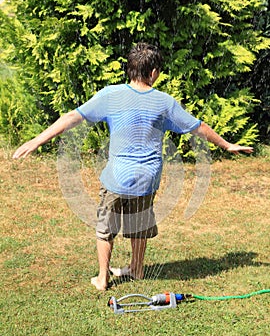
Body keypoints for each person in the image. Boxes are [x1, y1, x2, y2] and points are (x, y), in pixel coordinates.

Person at [13, 42, 253, 290]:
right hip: (147, 180)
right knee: (139, 223)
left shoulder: (110, 95)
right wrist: (226, 145)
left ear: (130, 69)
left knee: (106, 228)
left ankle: (103, 278)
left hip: (117, 178)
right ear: (153, 73)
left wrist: (37, 140)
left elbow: (72, 117)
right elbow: (198, 127)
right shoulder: (164, 102)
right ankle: (136, 269)